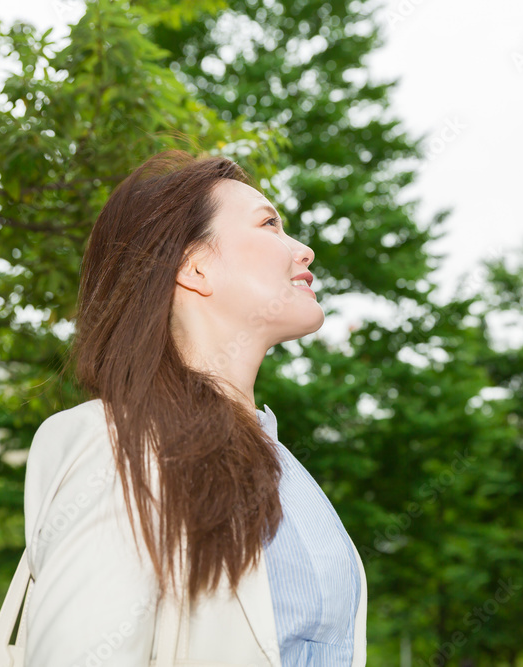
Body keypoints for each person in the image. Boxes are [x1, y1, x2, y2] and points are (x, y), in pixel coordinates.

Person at [22, 150, 367, 666]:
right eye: (269, 224)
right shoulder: (117, 444)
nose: (305, 250)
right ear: (195, 266)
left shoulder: (281, 462)